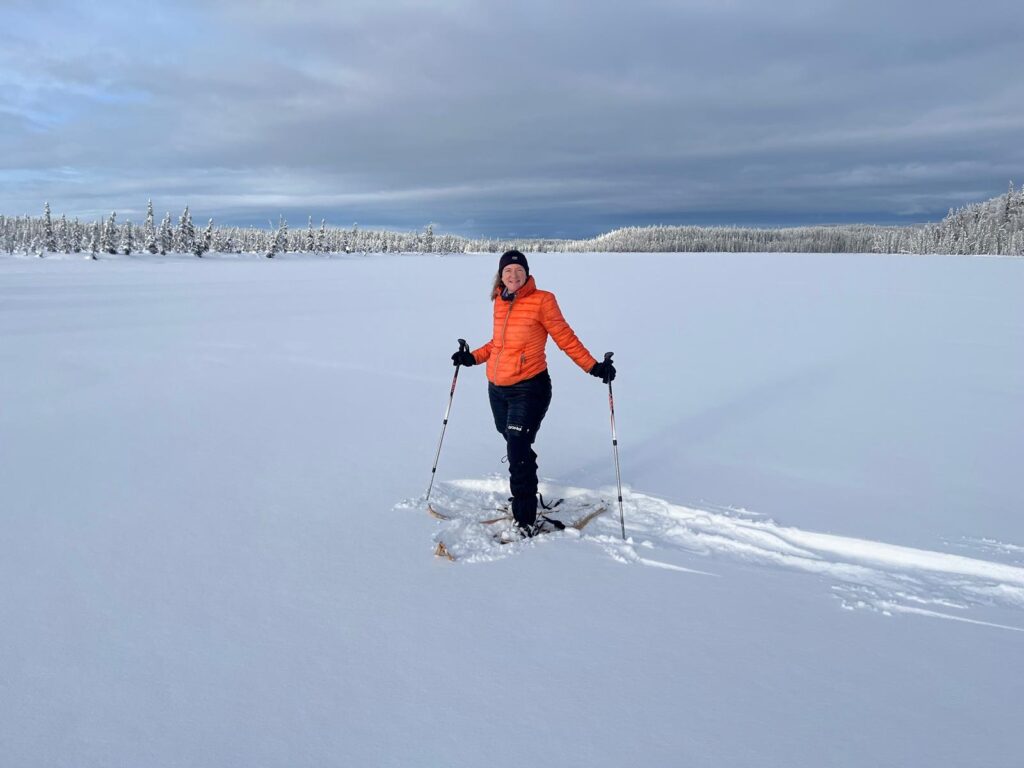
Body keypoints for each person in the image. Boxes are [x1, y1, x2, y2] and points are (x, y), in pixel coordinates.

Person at [451, 249, 616, 536]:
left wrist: (593, 367)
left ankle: (525, 517)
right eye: (507, 271)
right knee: (516, 443)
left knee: (516, 448)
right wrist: (472, 358)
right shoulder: (499, 302)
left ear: (527, 273)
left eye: (518, 270)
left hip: (530, 387)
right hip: (497, 388)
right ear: (500, 276)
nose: (513, 275)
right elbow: (497, 344)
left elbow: (565, 337)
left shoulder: (543, 301)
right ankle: (527, 479)